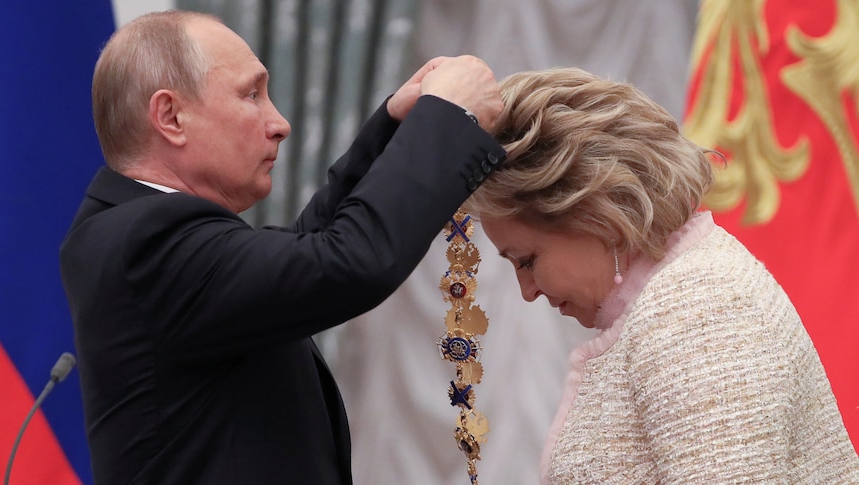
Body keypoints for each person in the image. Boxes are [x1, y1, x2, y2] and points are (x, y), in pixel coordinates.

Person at [58, 10, 505, 485]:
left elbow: (305, 249)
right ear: (171, 117)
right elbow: (345, 262)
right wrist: (448, 118)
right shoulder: (143, 243)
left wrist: (399, 120)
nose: (280, 123)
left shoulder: (143, 235)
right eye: (251, 95)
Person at [461, 67, 859, 484]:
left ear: (597, 216)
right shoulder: (682, 296)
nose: (526, 291)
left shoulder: (700, 310)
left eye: (526, 260)